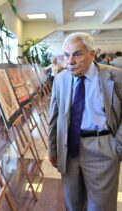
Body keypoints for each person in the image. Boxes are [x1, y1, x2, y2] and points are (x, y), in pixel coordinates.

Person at [48, 32, 122, 210]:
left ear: (92, 53)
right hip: (68, 148)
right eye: (67, 55)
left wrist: (117, 145)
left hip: (103, 147)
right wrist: (52, 148)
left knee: (101, 206)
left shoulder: (115, 77)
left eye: (77, 54)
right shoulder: (60, 79)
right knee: (72, 204)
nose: (70, 61)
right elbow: (54, 117)